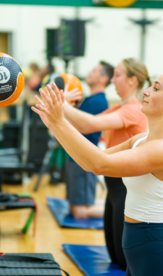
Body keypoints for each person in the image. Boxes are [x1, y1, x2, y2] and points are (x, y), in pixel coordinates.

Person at [32, 71, 163, 276]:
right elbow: (90, 161)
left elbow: (99, 164)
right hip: (138, 253)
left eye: (156, 88)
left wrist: (60, 121)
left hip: (160, 257)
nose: (146, 91)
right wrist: (54, 124)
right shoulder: (140, 140)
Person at [63, 58, 150, 270]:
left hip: (127, 185)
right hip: (113, 184)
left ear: (132, 80)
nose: (112, 80)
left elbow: (91, 123)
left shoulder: (133, 109)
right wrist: (59, 108)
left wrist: (61, 104)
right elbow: (83, 126)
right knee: (114, 257)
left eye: (117, 75)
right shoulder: (118, 107)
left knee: (123, 261)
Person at [63, 61, 113, 219]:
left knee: (80, 212)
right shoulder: (90, 100)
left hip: (83, 160)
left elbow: (75, 124)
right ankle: (114, 204)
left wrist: (63, 103)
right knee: (74, 207)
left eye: (94, 71)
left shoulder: (99, 101)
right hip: (74, 156)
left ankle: (122, 210)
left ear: (103, 79)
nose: (90, 73)